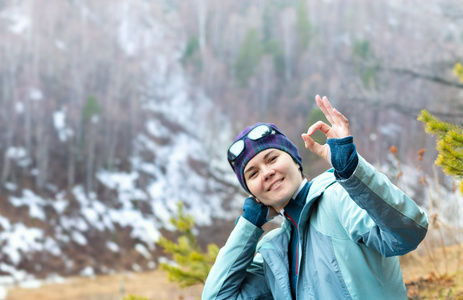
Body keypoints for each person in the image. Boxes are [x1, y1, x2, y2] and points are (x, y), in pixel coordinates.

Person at [202, 95, 429, 300]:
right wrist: (249, 224)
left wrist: (353, 170)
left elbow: (408, 233)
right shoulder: (274, 251)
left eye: (272, 159)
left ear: (295, 160)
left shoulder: (338, 199)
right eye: (253, 173)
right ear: (252, 193)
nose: (267, 173)